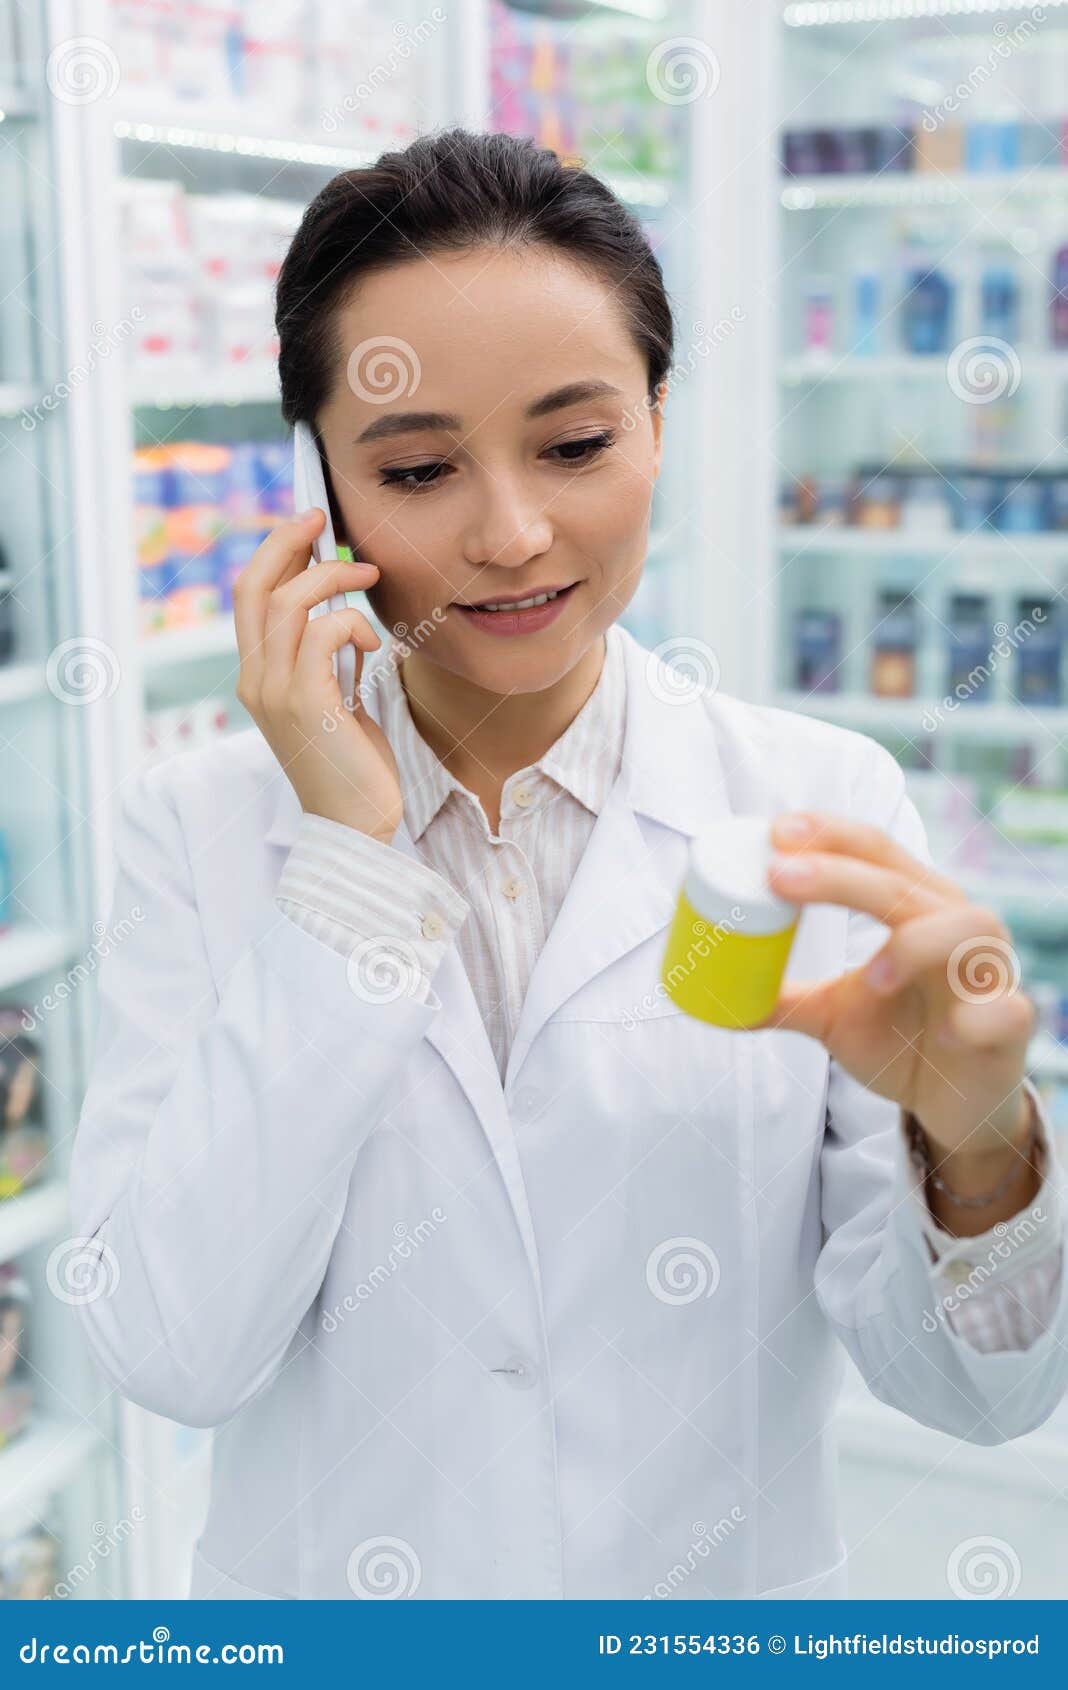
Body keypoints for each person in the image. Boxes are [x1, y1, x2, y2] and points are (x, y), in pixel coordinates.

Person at [70, 129, 1068, 1602]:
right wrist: (345, 855)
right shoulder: (202, 830)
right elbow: (173, 1350)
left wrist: (977, 1144)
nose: (513, 533)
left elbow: (978, 1397)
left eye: (577, 443)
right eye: (417, 467)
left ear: (659, 419)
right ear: (323, 487)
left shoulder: (813, 805)